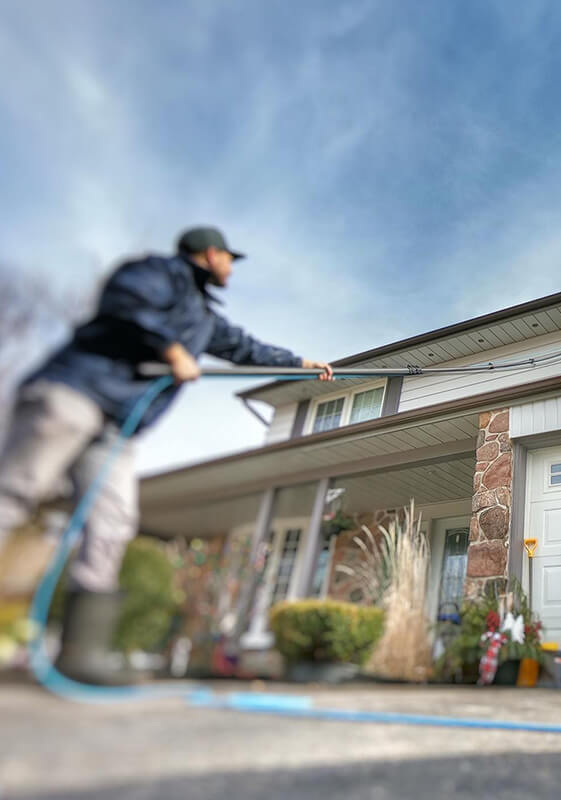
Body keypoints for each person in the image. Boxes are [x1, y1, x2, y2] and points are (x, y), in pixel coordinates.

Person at [0, 226, 333, 683]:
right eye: (229, 259)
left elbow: (245, 348)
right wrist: (172, 349)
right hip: (74, 392)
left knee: (113, 520)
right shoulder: (157, 273)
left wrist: (298, 364)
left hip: (118, 423)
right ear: (210, 255)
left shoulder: (202, 316)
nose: (231, 268)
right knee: (15, 493)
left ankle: (80, 653)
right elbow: (125, 304)